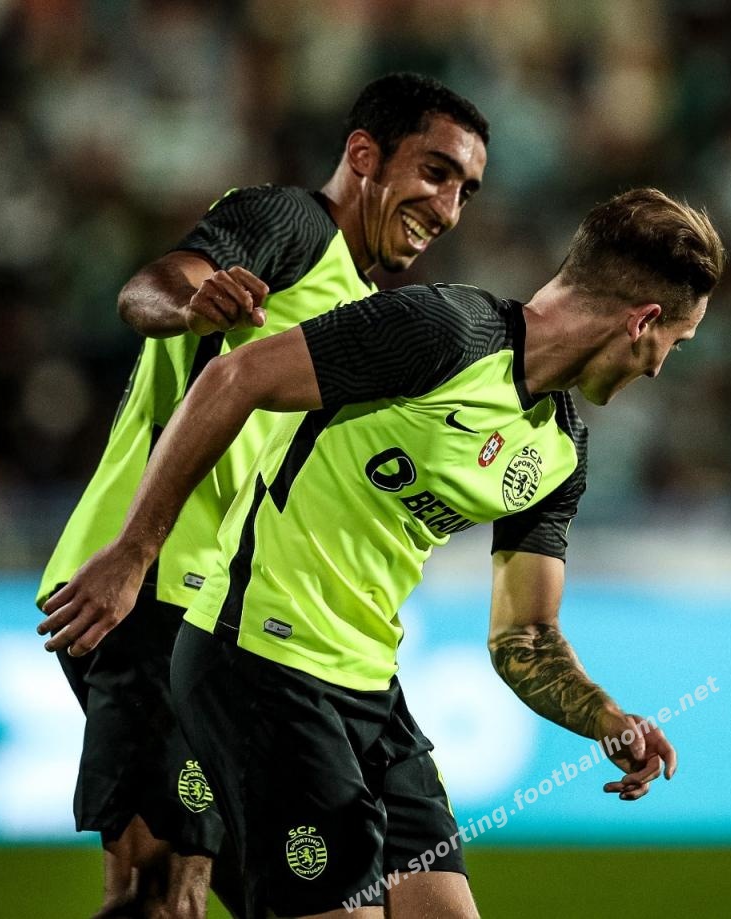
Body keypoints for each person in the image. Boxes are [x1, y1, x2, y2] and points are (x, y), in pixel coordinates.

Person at [38, 187, 725, 918]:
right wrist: (134, 551)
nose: (660, 367)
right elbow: (233, 377)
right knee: (168, 893)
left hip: (368, 688)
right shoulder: (442, 330)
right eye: (674, 343)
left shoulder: (560, 450)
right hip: (257, 660)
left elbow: (525, 634)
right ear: (642, 320)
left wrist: (606, 717)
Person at [36, 73, 488, 919]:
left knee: (293, 895)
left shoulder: (368, 313)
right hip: (151, 586)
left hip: (241, 622)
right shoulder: (292, 224)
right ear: (364, 154)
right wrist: (192, 303)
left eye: (465, 190)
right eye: (435, 172)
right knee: (161, 885)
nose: (448, 207)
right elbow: (150, 286)